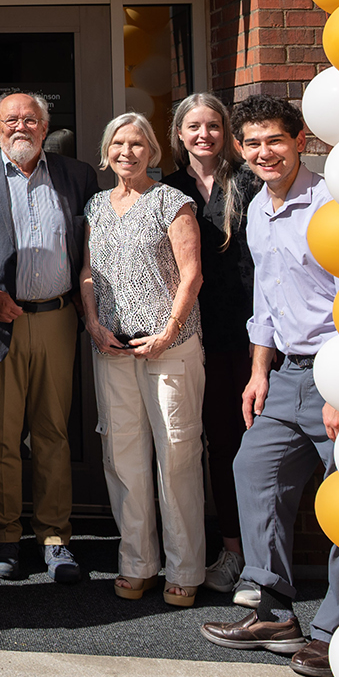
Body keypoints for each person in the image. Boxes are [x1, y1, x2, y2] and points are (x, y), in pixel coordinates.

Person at [199, 95, 339, 677]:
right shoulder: (257, 207)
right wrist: (259, 371)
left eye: (275, 141)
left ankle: (336, 629)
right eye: (253, 143)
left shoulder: (336, 202)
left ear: (300, 140)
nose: (265, 153)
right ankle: (271, 609)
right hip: (285, 371)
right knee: (252, 471)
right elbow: (266, 298)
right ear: (240, 149)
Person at [0, 91, 98, 583]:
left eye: (31, 119)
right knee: (1, 434)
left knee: (53, 434)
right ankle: (3, 536)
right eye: (10, 120)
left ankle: (55, 537)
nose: (21, 126)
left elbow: (89, 248)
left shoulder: (77, 175)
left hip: (58, 317)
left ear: (46, 127)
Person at [81, 112, 206, 606]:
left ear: (152, 151)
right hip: (112, 348)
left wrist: (168, 331)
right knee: (123, 458)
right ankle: (137, 563)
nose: (126, 152)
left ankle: (186, 568)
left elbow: (192, 274)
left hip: (169, 348)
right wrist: (92, 324)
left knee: (176, 456)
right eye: (118, 144)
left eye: (137, 144)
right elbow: (88, 273)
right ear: (106, 151)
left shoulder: (172, 202)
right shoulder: (95, 205)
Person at [162, 93, 260, 603]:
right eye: (193, 127)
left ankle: (263, 557)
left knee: (254, 448)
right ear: (179, 135)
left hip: (250, 334)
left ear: (227, 132)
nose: (204, 135)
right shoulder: (168, 189)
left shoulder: (250, 180)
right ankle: (231, 551)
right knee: (215, 444)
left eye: (213, 126)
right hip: (194, 335)